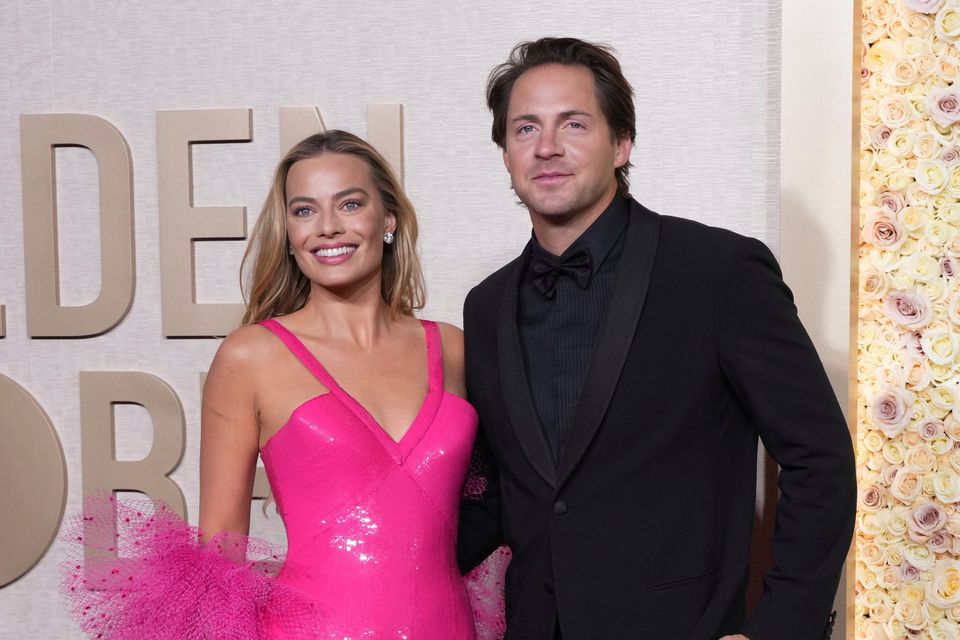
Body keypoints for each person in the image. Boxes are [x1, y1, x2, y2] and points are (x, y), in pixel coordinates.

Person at [456, 37, 856, 640]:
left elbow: (818, 458)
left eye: (574, 124)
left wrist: (779, 628)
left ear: (622, 144)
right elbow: (499, 498)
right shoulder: (485, 306)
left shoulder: (718, 271)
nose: (546, 147)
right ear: (506, 153)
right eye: (524, 129)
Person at [62, 130, 497, 639]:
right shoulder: (250, 356)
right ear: (288, 233)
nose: (328, 228)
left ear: (389, 219)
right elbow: (220, 555)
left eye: (350, 204)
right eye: (304, 211)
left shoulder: (452, 348)